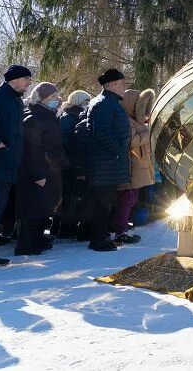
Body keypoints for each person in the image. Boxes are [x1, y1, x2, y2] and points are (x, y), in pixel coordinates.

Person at [0, 65, 30, 272]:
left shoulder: (16, 102)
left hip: (8, 168)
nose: (29, 83)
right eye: (26, 79)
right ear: (14, 79)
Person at [84, 69, 132, 252]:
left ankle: (101, 236)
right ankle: (97, 240)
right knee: (103, 203)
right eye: (122, 83)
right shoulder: (104, 103)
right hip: (105, 164)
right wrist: (119, 150)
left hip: (109, 164)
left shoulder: (110, 102)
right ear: (111, 85)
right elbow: (101, 131)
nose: (124, 87)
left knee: (107, 202)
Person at [16, 82, 65, 256]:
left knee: (42, 208)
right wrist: (38, 174)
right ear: (41, 99)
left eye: (56, 97)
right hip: (37, 172)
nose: (56, 100)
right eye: (52, 97)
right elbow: (33, 149)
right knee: (32, 209)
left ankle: (37, 240)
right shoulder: (34, 118)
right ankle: (27, 244)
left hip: (48, 169)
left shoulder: (48, 115)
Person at [112, 88, 156, 245]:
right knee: (126, 200)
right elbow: (131, 141)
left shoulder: (133, 119)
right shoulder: (124, 120)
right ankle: (120, 231)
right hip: (131, 167)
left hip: (138, 166)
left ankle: (124, 228)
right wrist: (148, 133)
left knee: (131, 200)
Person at [58, 90, 91, 239]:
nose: (88, 104)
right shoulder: (69, 118)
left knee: (74, 197)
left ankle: (68, 226)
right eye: (85, 101)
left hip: (73, 162)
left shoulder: (76, 116)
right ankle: (64, 228)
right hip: (70, 164)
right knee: (70, 198)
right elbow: (65, 142)